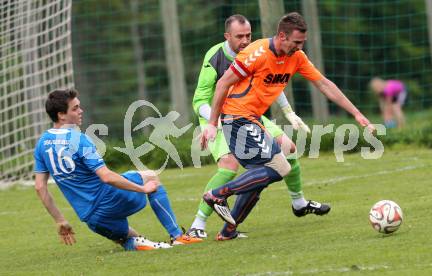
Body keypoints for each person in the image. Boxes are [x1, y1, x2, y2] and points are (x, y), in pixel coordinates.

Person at [200, 12, 375, 240]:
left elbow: (324, 84)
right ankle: (216, 195)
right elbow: (223, 84)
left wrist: (357, 114)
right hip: (236, 118)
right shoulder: (257, 53)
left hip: (251, 119)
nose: (300, 47)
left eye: (302, 42)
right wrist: (212, 123)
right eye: (296, 42)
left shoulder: (296, 57)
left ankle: (228, 230)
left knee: (261, 176)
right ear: (282, 36)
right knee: (280, 168)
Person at [188, 14, 330, 240]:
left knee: (288, 149)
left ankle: (299, 203)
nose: (245, 41)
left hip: (250, 113)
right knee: (229, 165)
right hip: (216, 115)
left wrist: (288, 111)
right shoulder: (215, 56)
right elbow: (199, 99)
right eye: (239, 36)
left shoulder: (259, 50)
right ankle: (198, 224)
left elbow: (274, 79)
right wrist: (213, 123)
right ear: (227, 36)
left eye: (248, 35)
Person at [34, 89, 202, 251]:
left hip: (92, 219)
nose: (81, 111)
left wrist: (60, 221)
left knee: (129, 238)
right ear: (61, 115)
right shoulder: (79, 139)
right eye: (75, 108)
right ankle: (178, 236)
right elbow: (106, 177)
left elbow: (40, 187)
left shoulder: (42, 143)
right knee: (151, 177)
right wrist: (142, 189)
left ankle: (138, 243)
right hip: (110, 199)